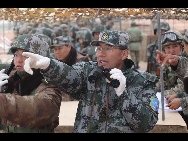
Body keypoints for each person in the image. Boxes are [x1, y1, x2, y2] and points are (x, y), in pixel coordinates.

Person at [22, 30, 159, 133]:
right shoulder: (87, 70)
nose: (101, 53)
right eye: (99, 48)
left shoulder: (142, 81)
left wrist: (124, 94)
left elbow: (145, 124)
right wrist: (49, 65)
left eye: (107, 48)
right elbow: (70, 77)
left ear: (124, 54)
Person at [0, 34, 62, 133]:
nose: (19, 60)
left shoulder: (50, 85)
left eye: (25, 55)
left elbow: (39, 109)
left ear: (40, 58)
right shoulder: (10, 83)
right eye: (16, 55)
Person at [50, 35, 90, 101]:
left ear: (69, 47)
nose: (57, 52)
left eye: (60, 48)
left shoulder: (81, 62)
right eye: (55, 49)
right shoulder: (55, 63)